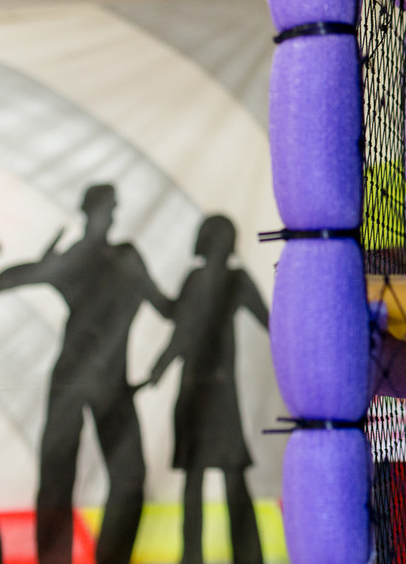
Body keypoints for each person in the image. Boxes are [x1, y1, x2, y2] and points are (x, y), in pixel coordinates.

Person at [0, 184, 173, 564]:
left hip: (105, 382)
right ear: (96, 211)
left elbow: (168, 307)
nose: (108, 215)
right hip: (77, 381)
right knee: (61, 477)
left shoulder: (117, 257)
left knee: (122, 478)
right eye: (106, 208)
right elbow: (6, 281)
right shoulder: (85, 257)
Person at [147, 215, 268, 564]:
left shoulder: (222, 280)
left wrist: (160, 367)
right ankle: (214, 557)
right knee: (207, 479)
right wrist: (159, 367)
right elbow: (182, 331)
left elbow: (181, 332)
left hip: (209, 391)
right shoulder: (219, 280)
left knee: (213, 479)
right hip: (202, 391)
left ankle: (225, 556)